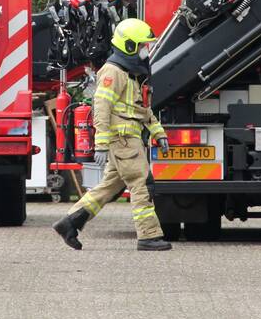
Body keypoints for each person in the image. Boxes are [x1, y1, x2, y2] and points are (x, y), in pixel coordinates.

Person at [52, 18, 173, 251]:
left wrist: (159, 133)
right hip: (124, 140)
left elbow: (142, 109)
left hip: (127, 139)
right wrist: (101, 144)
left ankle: (69, 223)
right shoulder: (113, 72)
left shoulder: (130, 74)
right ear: (129, 46)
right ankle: (148, 236)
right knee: (142, 183)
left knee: (110, 186)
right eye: (142, 46)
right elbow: (101, 108)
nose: (146, 51)